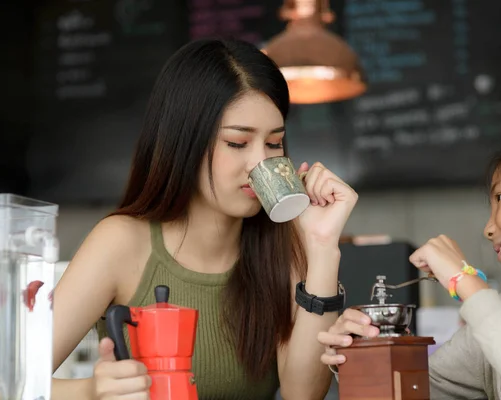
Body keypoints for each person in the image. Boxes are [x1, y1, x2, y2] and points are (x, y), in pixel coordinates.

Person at [50, 38, 358, 400]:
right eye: (237, 143)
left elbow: (303, 395)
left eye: (274, 144)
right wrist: (90, 392)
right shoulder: (121, 242)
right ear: (186, 143)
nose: (261, 164)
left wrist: (322, 246)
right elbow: (12, 377)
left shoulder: (284, 246)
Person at [318, 123, 501, 400]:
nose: (488, 228)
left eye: (500, 197)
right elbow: (409, 390)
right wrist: (360, 354)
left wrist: (465, 282)